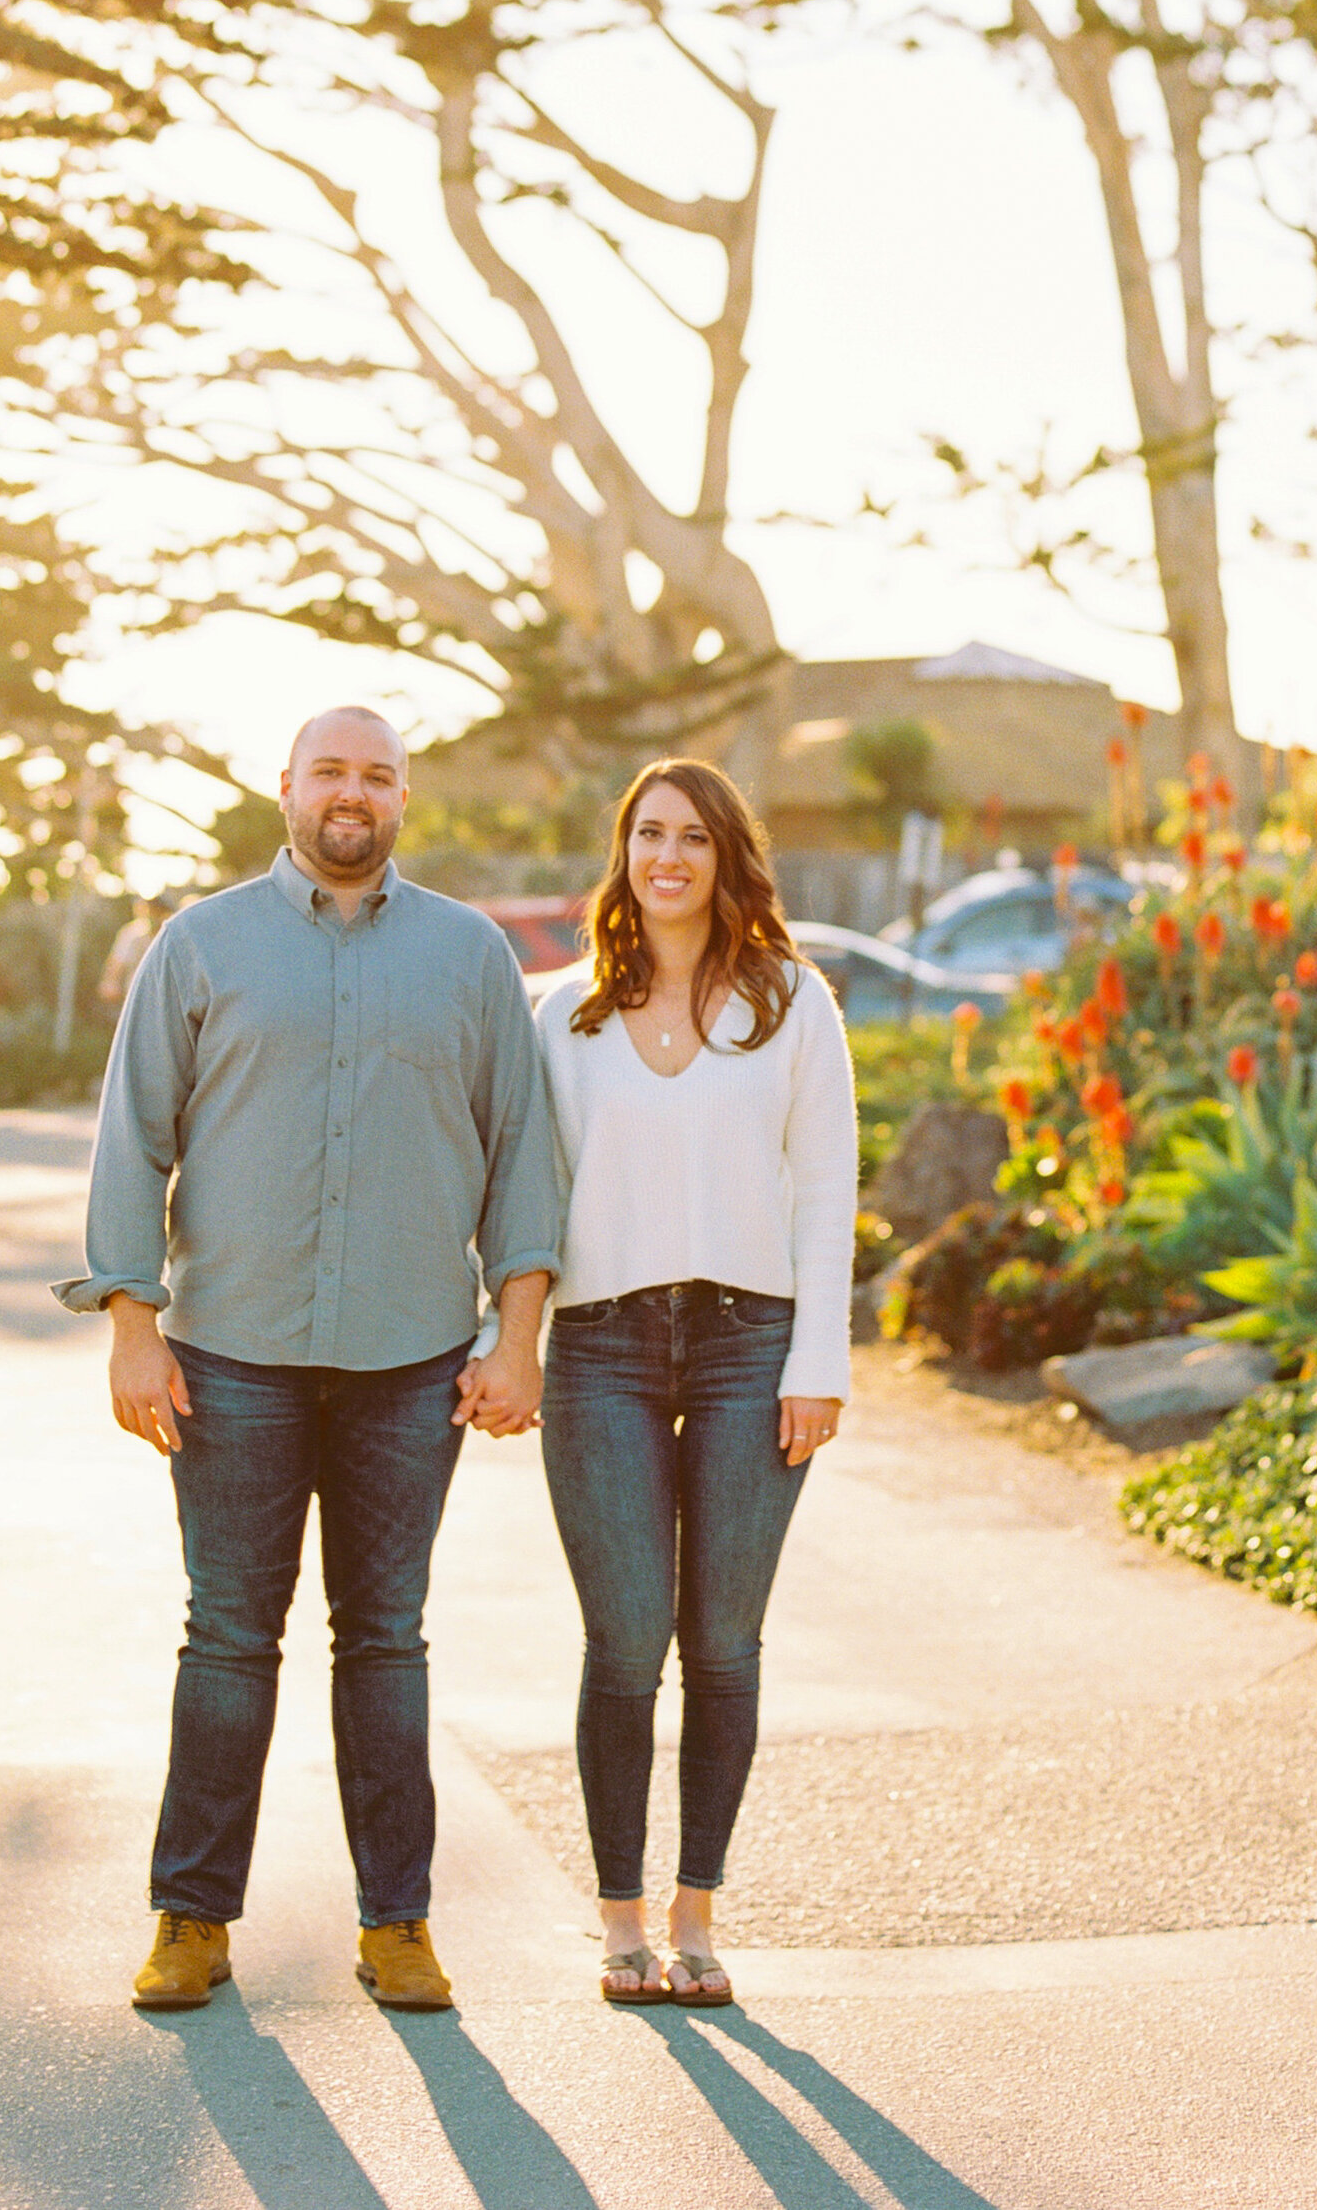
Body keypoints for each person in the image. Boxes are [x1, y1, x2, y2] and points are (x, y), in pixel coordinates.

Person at [54, 706, 564, 2016]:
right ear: (286, 786)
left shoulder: (470, 955)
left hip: (413, 1359)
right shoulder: (202, 943)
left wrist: (521, 1332)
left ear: (404, 797)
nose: (354, 791)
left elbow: (523, 1155)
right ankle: (190, 1918)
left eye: (378, 774)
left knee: (385, 1639)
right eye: (331, 769)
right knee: (226, 1637)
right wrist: (129, 1318)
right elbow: (134, 1137)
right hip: (234, 1354)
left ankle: (398, 1921)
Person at [533, 756, 856, 2007]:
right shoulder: (560, 1012)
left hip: (749, 1347)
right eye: (647, 834)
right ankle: (620, 1921)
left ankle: (696, 1914)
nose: (667, 856)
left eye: (693, 838)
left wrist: (816, 1363)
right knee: (624, 1644)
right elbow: (519, 1191)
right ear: (624, 854)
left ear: (728, 859)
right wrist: (500, 1335)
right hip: (600, 1346)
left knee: (722, 1644)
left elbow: (828, 1189)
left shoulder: (790, 1002)